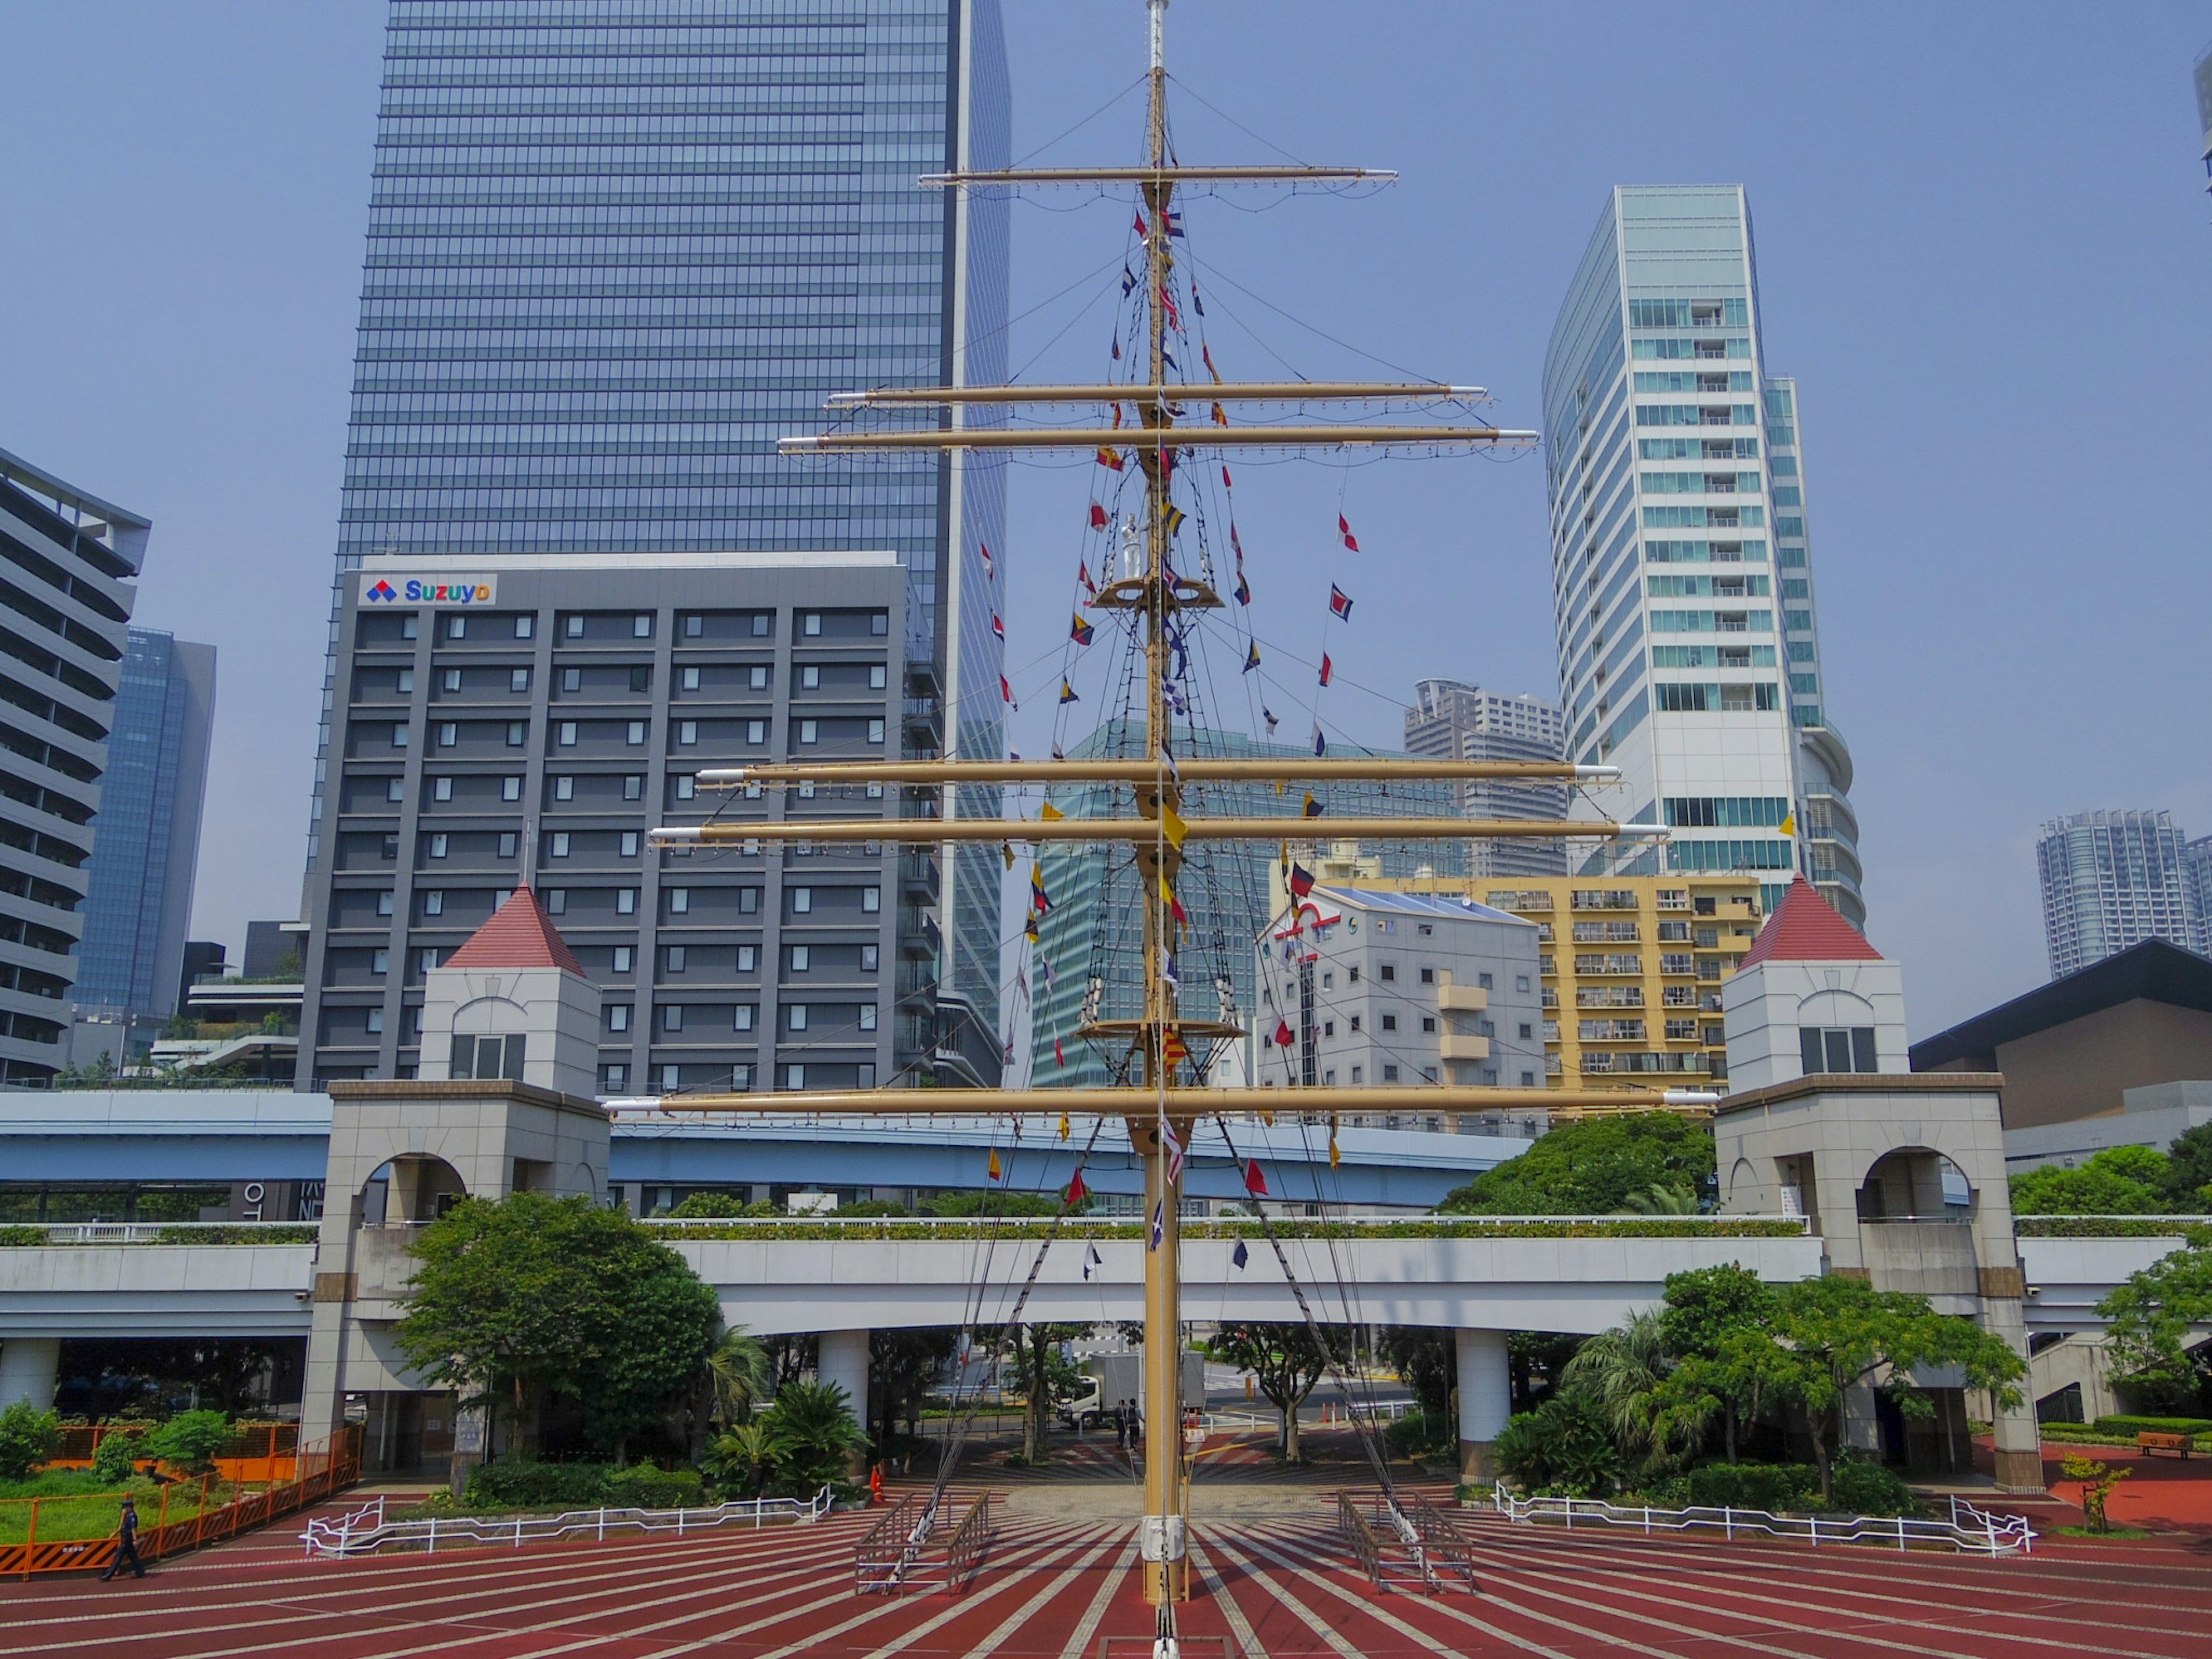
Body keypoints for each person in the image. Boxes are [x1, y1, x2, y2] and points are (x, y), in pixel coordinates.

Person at [100, 1497, 146, 1581]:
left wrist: (135, 1540)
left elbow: (133, 1529)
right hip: (126, 1539)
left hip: (127, 1540)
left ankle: (108, 1575)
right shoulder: (127, 1516)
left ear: (129, 1507)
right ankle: (140, 1571)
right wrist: (115, 1533)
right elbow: (121, 1526)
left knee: (118, 1557)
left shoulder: (132, 1516)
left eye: (125, 1507)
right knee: (133, 1557)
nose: (124, 1509)